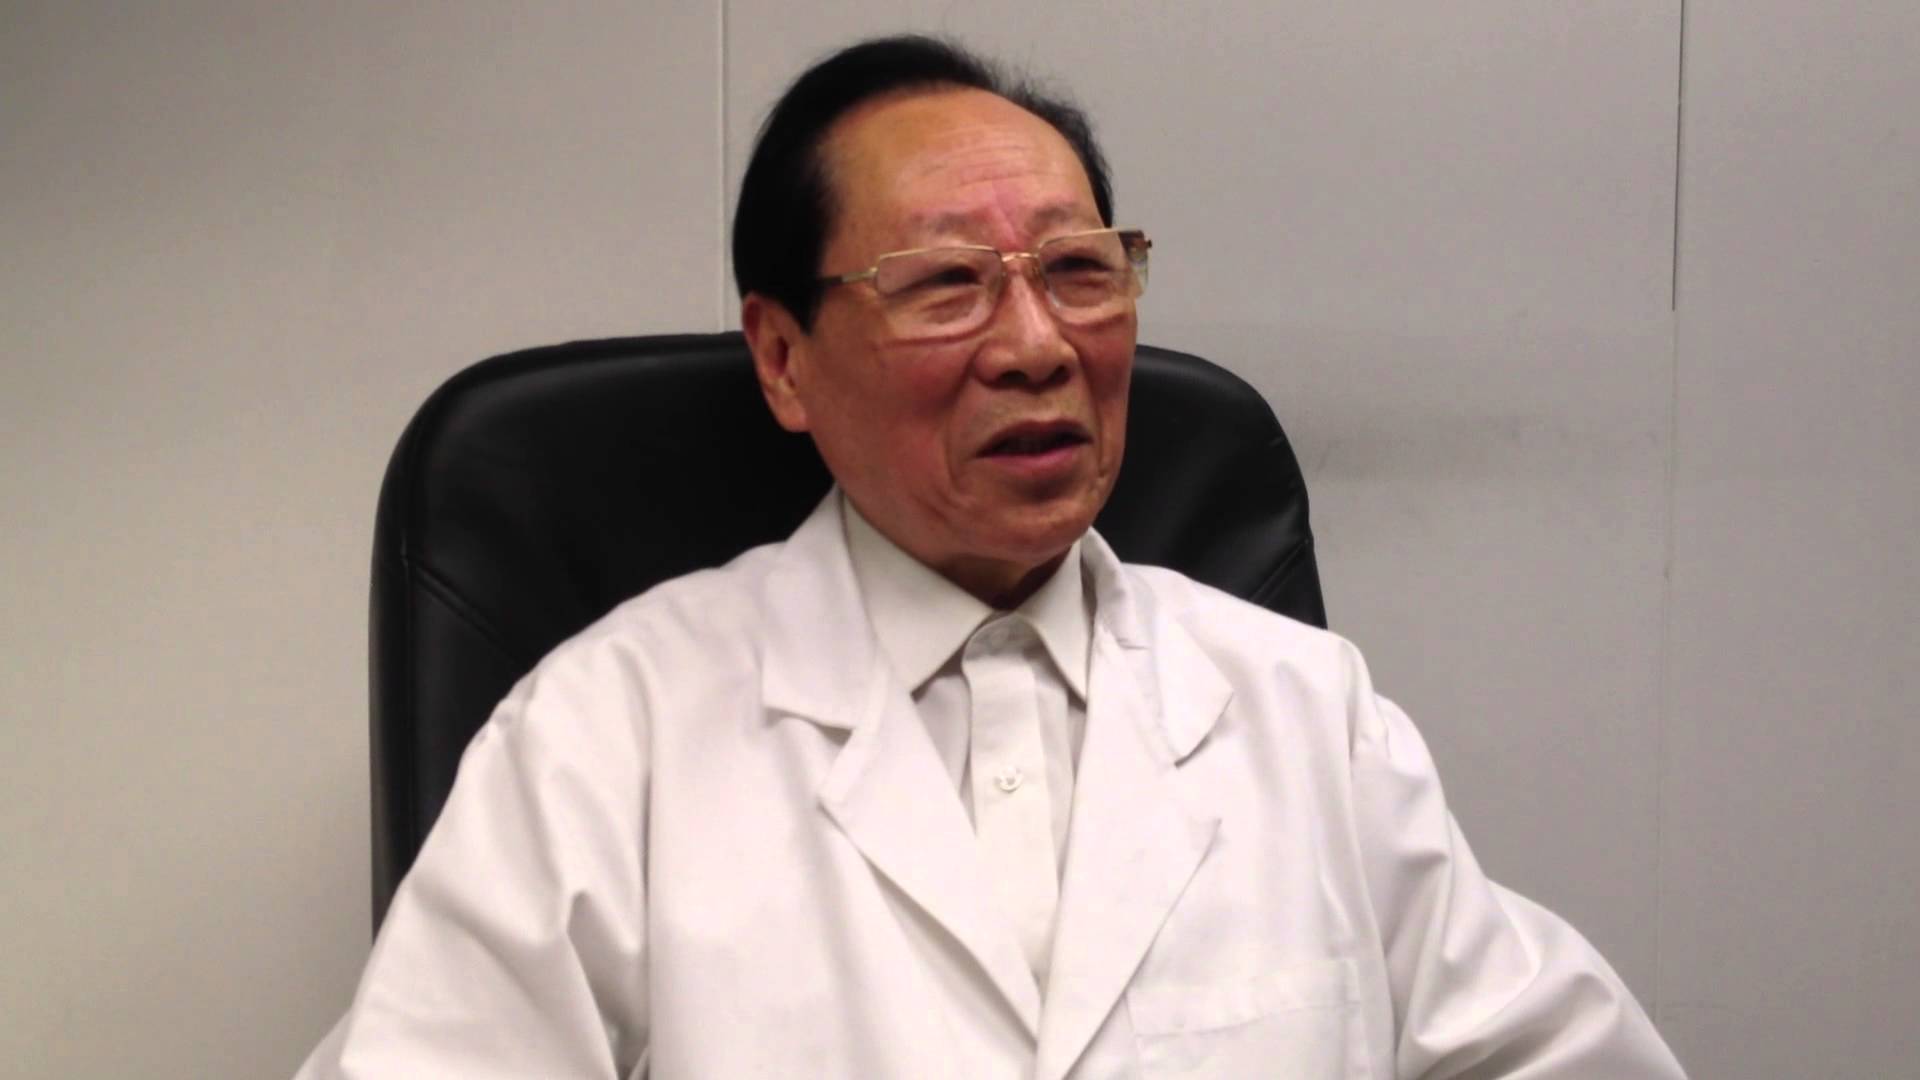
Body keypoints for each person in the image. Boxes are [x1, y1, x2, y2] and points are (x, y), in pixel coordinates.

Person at [296, 35, 1686, 1079]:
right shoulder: (607, 737)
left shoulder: (1302, 711)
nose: (1037, 346)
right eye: (946, 284)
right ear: (782, 359)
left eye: (1080, 272)